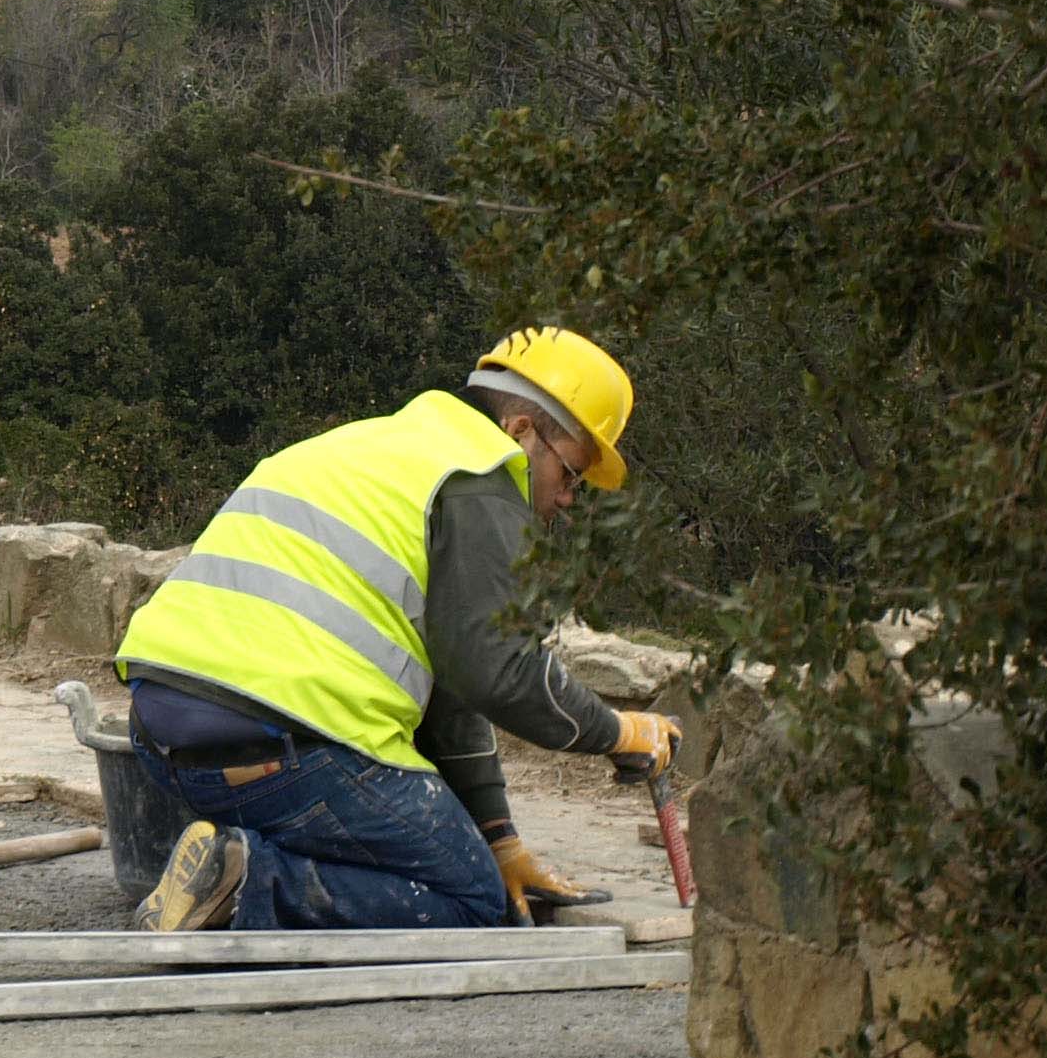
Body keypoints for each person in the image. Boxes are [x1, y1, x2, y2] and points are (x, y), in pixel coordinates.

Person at [111, 328, 680, 932]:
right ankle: (253, 877)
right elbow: (499, 669)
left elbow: (454, 683)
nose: (569, 498)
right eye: (571, 473)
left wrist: (498, 839)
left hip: (160, 735)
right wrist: (616, 730)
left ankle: (215, 867)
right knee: (474, 904)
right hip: (290, 748)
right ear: (520, 431)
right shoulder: (482, 478)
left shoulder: (371, 446)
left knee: (463, 867)